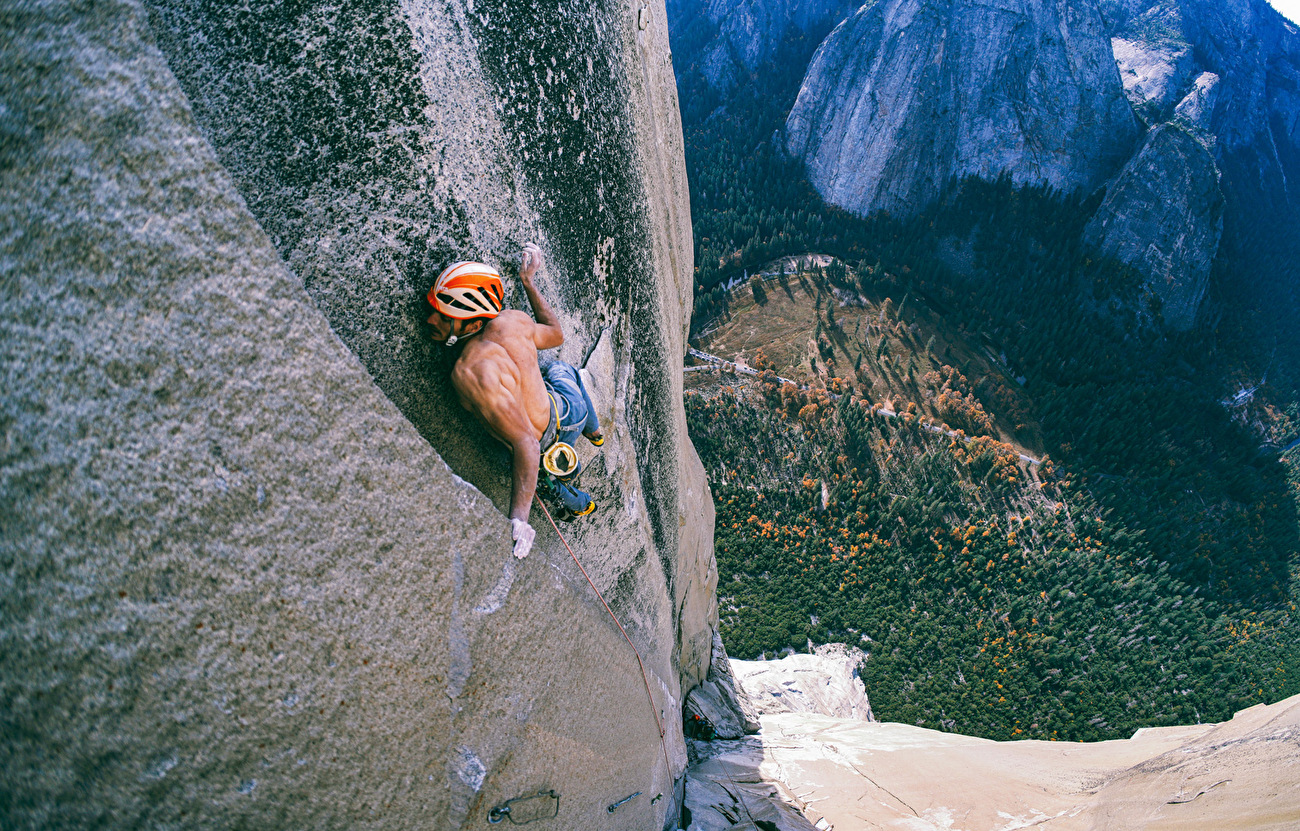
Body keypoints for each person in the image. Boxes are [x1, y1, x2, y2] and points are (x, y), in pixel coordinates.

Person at [428, 243, 603, 559]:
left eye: (444, 317)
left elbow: (527, 444)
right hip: (565, 409)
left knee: (546, 485)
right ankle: (593, 430)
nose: (431, 320)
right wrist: (529, 283)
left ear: (472, 324)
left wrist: (519, 520)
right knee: (564, 371)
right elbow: (555, 334)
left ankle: (581, 504)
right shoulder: (513, 321)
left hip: (542, 444)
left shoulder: (470, 372)